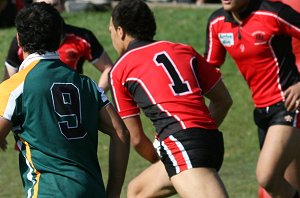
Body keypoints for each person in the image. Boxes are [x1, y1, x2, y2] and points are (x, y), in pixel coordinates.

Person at [0, 2, 130, 197]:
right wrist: (112, 193)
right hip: (92, 191)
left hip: (49, 192)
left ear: (19, 39)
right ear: (60, 38)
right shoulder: (87, 84)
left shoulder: (15, 86)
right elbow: (121, 132)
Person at [109, 0, 232, 197]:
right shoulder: (183, 49)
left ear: (120, 32)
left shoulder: (120, 69)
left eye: (111, 32)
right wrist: (194, 136)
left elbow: (136, 138)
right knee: (137, 191)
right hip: (208, 140)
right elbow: (223, 100)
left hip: (181, 143)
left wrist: (163, 155)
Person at [204, 0, 300, 197]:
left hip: (288, 105)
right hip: (262, 112)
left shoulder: (274, 13)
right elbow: (209, 70)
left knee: (266, 177)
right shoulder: (217, 22)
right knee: (278, 186)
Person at [3, 0, 113, 92]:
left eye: (54, 5)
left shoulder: (83, 37)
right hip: (35, 102)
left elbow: (108, 68)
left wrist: (96, 96)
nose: (47, 11)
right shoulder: (24, 39)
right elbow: (8, 83)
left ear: (62, 7)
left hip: (71, 104)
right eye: (43, 4)